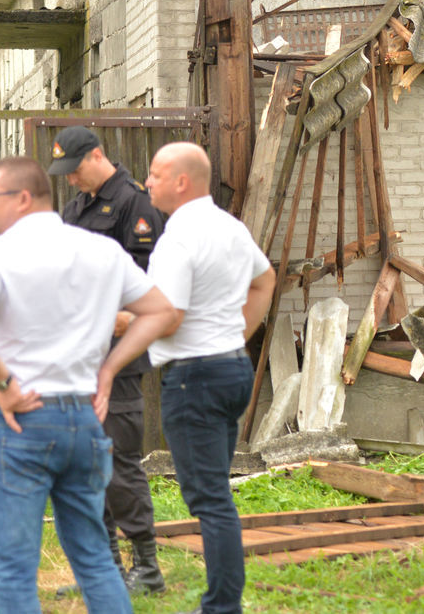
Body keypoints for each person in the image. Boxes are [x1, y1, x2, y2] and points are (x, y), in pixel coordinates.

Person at [0, 156, 176, 613]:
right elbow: (163, 313)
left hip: (22, 423)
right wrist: (109, 368)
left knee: (14, 567)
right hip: (84, 423)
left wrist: (5, 381)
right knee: (94, 559)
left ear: (24, 198)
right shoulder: (101, 251)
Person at [145, 142, 275, 614]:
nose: (147, 182)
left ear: (182, 181)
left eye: (156, 174)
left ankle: (221, 607)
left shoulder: (178, 238)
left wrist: (118, 322)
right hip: (230, 367)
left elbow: (170, 316)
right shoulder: (230, 227)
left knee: (211, 500)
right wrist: (234, 333)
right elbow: (266, 280)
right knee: (216, 490)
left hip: (194, 378)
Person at [47, 125, 169, 595]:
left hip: (114, 360)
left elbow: (145, 291)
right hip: (77, 359)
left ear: (97, 155)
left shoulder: (135, 205)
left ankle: (148, 568)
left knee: (118, 462)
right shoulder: (76, 208)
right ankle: (105, 569)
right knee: (84, 464)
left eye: (75, 169)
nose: (71, 180)